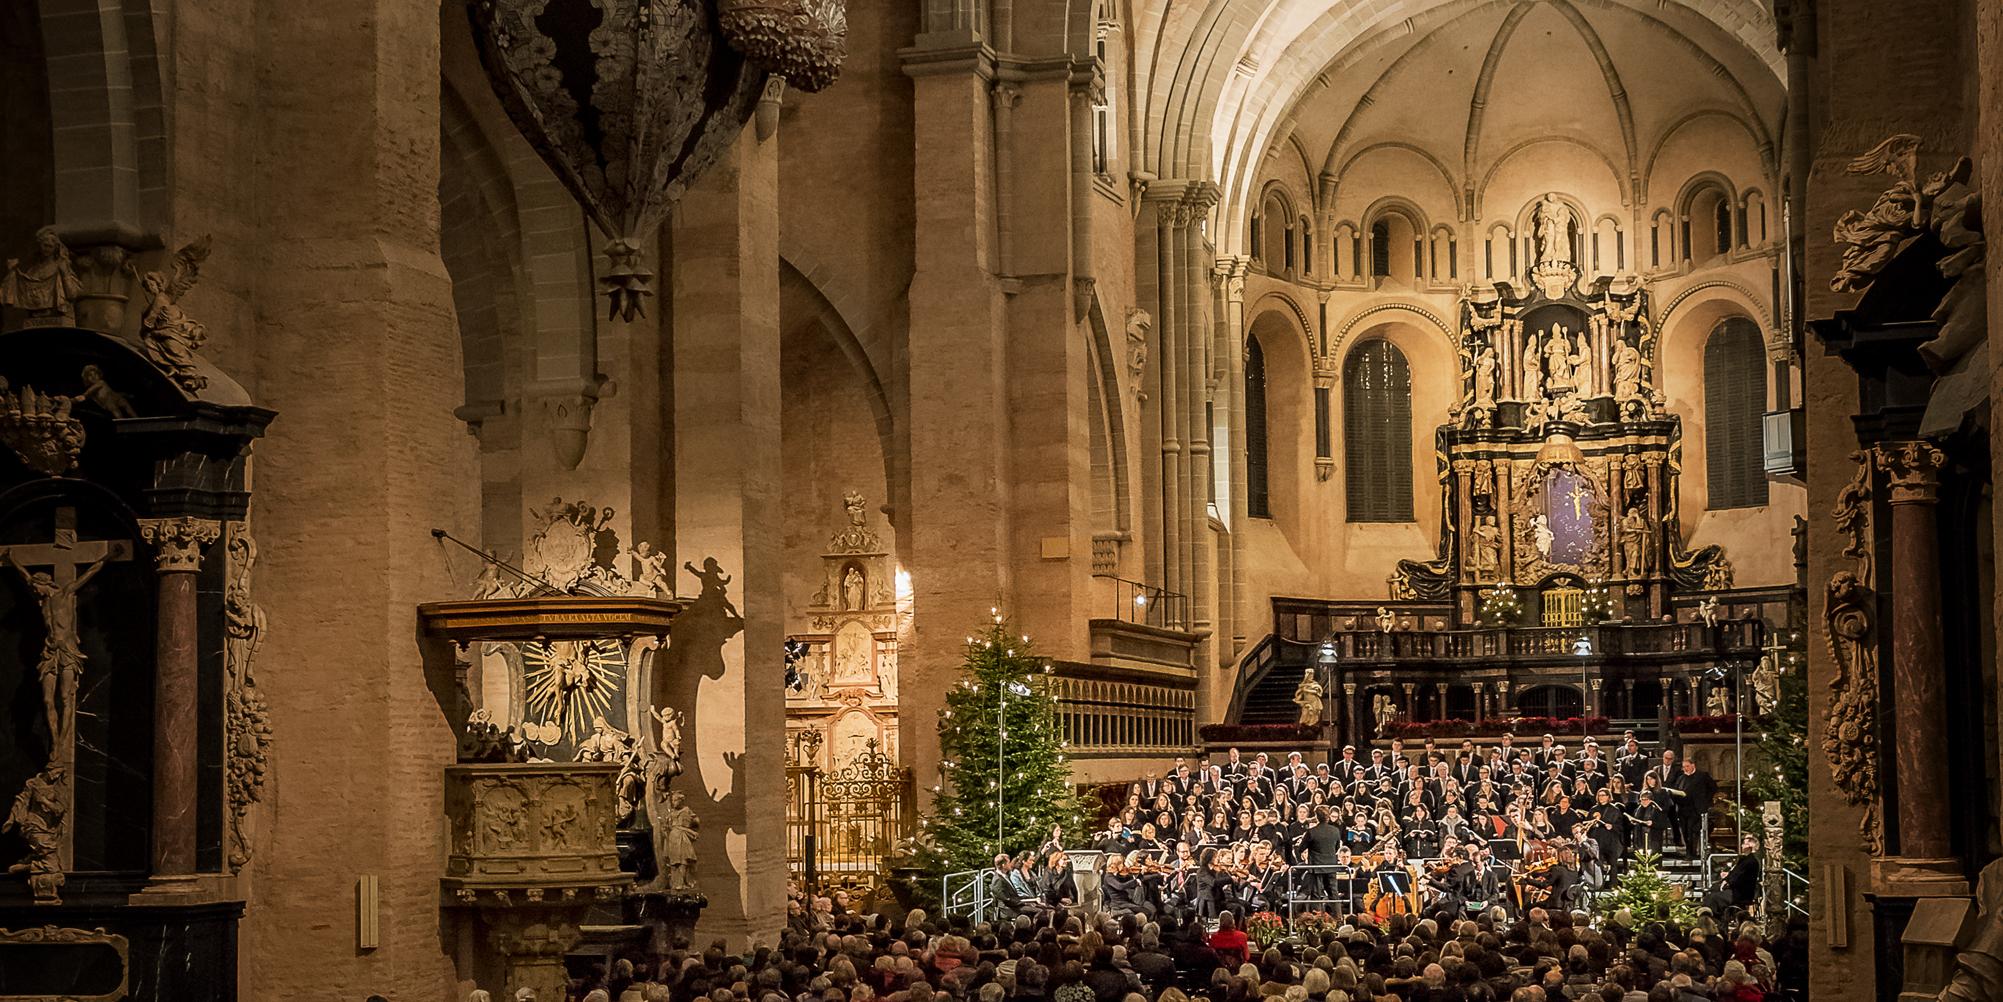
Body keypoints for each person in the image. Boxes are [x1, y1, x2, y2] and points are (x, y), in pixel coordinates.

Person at [1672, 758, 1718, 857]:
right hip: (1683, 809)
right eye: (1684, 767)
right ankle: (1689, 851)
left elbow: (1713, 788)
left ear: (1693, 765)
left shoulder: (1702, 776)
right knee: (1684, 831)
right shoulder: (1681, 778)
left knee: (1691, 831)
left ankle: (1691, 852)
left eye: (1687, 766)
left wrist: (1705, 801)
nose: (1685, 769)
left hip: (1696, 809)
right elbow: (1676, 791)